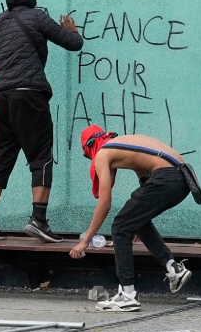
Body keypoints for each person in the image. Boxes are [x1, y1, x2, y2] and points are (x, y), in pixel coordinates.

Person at [0, 0, 84, 242]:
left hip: (0, 94)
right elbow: (73, 44)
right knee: (41, 156)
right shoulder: (37, 17)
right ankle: (39, 219)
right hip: (29, 93)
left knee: (2, 155)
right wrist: (72, 30)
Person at [73, 126, 194, 312]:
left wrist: (86, 241)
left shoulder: (102, 154)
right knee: (133, 219)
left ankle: (127, 295)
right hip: (183, 179)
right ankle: (173, 269)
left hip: (166, 176)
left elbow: (105, 204)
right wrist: (138, 223)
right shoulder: (124, 143)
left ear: (89, 146)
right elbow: (145, 180)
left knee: (120, 227)